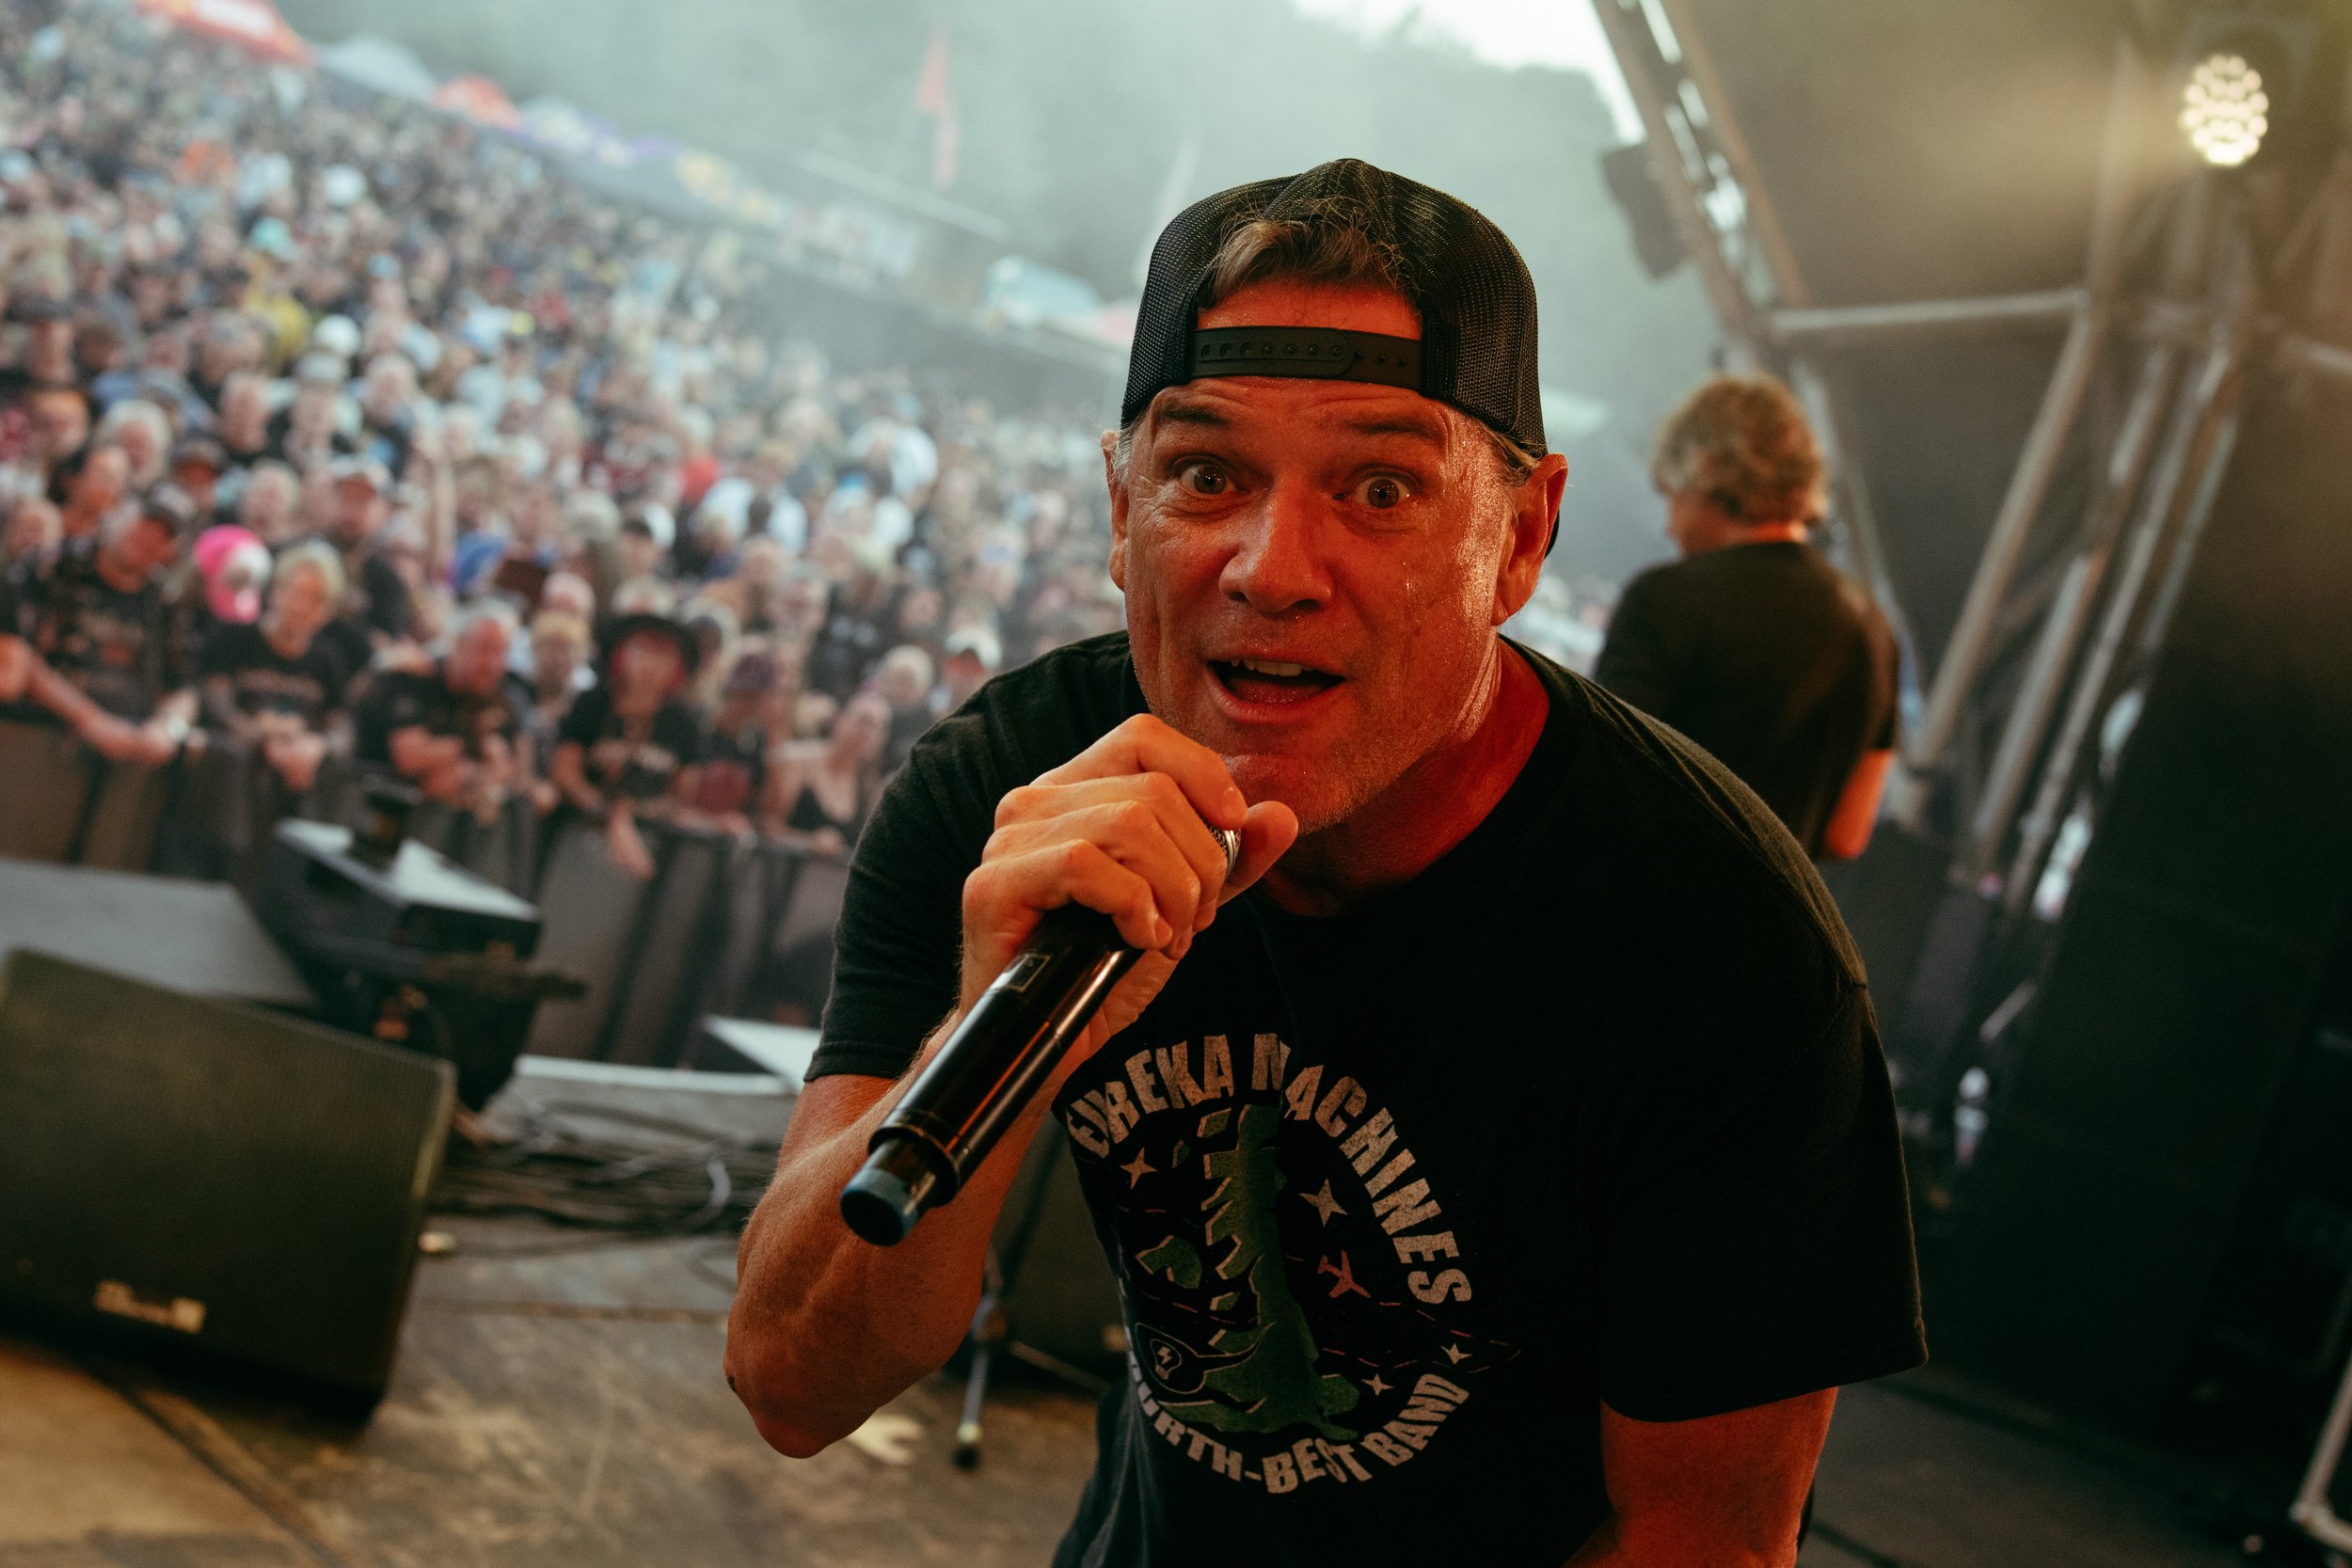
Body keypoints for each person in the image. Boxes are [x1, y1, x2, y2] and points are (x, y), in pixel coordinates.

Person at [726, 161, 1924, 1568]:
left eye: (1377, 486)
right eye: (1207, 473)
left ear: (1521, 536)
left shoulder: (1727, 952)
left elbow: (1707, 1540)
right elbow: (793, 1380)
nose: (1271, 566)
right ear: (1122, 510)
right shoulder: (1015, 791)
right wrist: (997, 1023)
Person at [1595, 376, 1899, 861]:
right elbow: (1847, 834)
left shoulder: (1667, 597)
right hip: (1766, 931)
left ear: (1705, 470)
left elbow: (1598, 778)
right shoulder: (1876, 633)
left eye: (1673, 495)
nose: (1670, 527)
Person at [547, 613, 704, 879]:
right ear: (620, 654)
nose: (650, 664)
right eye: (641, 649)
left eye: (663, 654)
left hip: (645, 844)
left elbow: (681, 794)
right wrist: (609, 814)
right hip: (572, 836)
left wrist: (635, 812)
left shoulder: (683, 722)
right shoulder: (592, 704)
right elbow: (565, 772)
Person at [353, 600, 532, 819]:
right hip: (363, 800)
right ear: (458, 644)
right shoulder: (416, 675)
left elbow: (514, 775)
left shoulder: (499, 698)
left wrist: (476, 770)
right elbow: (409, 758)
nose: (493, 664)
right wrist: (473, 748)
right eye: (485, 649)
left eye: (501, 653)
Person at [197, 540, 350, 796]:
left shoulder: (327, 658)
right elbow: (215, 705)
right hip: (233, 769)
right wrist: (263, 741)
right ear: (274, 590)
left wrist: (320, 746)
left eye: (316, 599)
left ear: (328, 611)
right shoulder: (233, 637)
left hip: (297, 769)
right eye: (296, 591)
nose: (301, 606)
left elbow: (343, 728)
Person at [760, 688, 887, 859]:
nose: (867, 732)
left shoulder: (868, 786)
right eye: (863, 721)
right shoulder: (797, 759)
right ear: (839, 720)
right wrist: (809, 842)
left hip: (824, 882)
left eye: (877, 727)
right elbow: (767, 826)